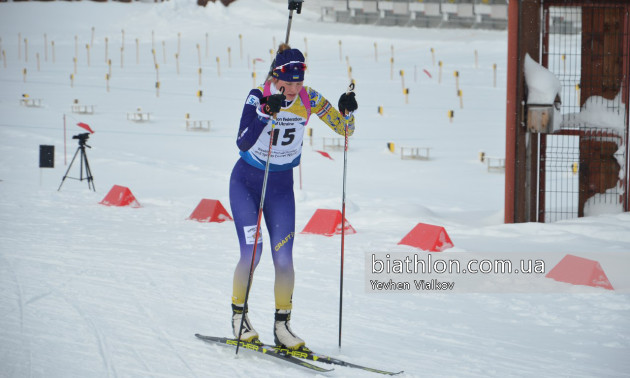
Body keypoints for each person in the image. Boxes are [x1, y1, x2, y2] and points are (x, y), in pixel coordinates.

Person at [229, 43, 358, 350]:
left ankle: (282, 326)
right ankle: (238, 319)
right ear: (277, 77)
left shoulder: (309, 98)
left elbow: (344, 130)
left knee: (284, 258)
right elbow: (242, 142)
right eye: (290, 83)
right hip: (247, 183)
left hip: (281, 188)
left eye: (300, 83)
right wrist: (264, 114)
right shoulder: (258, 95)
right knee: (253, 253)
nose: (295, 89)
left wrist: (347, 111)